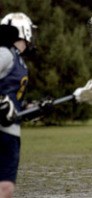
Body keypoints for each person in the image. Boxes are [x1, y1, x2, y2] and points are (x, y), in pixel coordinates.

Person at [0, 12, 37, 198]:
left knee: (6, 189)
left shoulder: (19, 59)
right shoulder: (5, 53)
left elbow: (13, 101)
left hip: (11, 132)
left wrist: (30, 109)